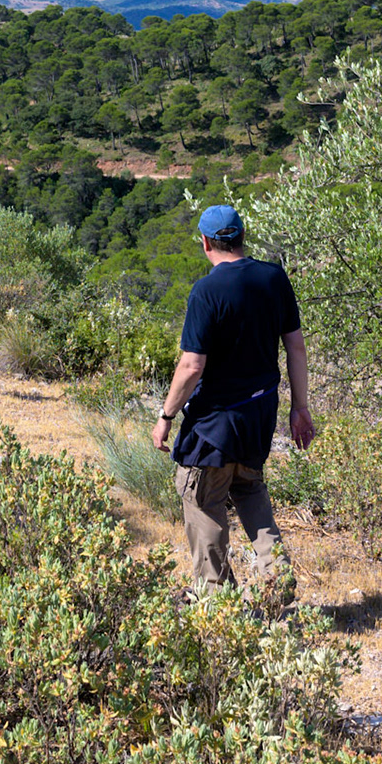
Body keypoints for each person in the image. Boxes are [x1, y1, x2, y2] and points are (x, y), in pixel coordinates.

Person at [151, 204, 316, 590]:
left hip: (214, 425)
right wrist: (300, 408)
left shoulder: (207, 291)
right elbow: (296, 348)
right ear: (242, 236)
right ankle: (277, 589)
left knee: (203, 503)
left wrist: (166, 415)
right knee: (250, 490)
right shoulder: (274, 278)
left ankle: (216, 601)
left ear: (206, 242)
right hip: (258, 418)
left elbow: (192, 366)